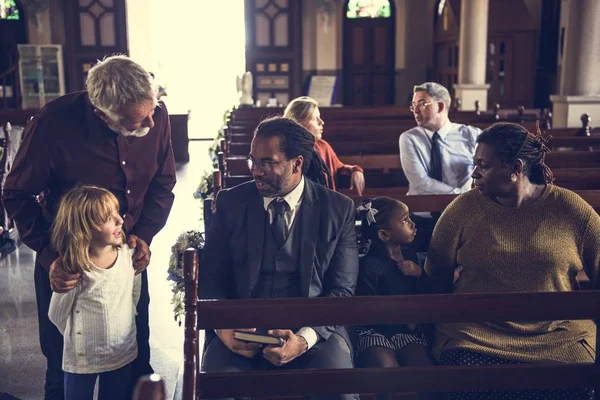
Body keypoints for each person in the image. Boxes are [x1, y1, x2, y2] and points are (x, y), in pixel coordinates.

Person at [2, 55, 176, 399]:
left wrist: (144, 233)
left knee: (134, 353)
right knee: (64, 360)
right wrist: (52, 257)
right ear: (102, 114)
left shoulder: (155, 115)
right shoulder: (54, 122)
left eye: (152, 112)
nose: (150, 125)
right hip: (67, 264)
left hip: (125, 262)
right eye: (135, 123)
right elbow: (17, 193)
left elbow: (162, 183)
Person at [425, 122, 599, 400]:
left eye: (484, 166)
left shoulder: (569, 208)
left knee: (576, 384)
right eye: (475, 164)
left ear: (516, 168)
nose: (475, 174)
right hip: (475, 336)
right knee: (466, 385)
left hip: (558, 336)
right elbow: (436, 277)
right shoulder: (463, 208)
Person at [200, 117, 359, 400]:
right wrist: (224, 329)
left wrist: (303, 339)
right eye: (252, 162)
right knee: (219, 390)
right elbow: (210, 277)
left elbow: (342, 291)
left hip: (314, 329)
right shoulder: (231, 202)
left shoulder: (338, 208)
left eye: (267, 162)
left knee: (338, 393)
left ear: (296, 164)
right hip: (242, 328)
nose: (256, 172)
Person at [48, 185, 141, 400]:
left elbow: (133, 295)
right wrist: (80, 336)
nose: (119, 220)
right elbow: (57, 314)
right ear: (84, 228)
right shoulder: (74, 267)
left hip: (122, 351)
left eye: (117, 213)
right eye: (109, 218)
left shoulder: (129, 256)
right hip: (82, 358)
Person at [354, 197, 434, 399]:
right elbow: (367, 309)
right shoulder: (369, 265)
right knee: (387, 369)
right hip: (374, 330)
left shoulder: (410, 255)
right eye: (405, 220)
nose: (413, 224)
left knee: (423, 368)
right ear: (384, 234)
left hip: (406, 330)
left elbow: (424, 293)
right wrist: (403, 317)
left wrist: (419, 274)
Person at [399, 82, 480, 252]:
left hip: (464, 217)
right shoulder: (409, 138)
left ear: (440, 106)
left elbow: (483, 171)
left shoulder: (472, 135)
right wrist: (459, 196)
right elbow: (420, 181)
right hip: (422, 218)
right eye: (413, 105)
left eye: (421, 104)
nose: (415, 110)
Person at [284, 96, 365, 195]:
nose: (321, 122)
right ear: (299, 122)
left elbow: (339, 168)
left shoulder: (322, 145)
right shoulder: (286, 149)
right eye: (315, 119)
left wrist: (355, 170)